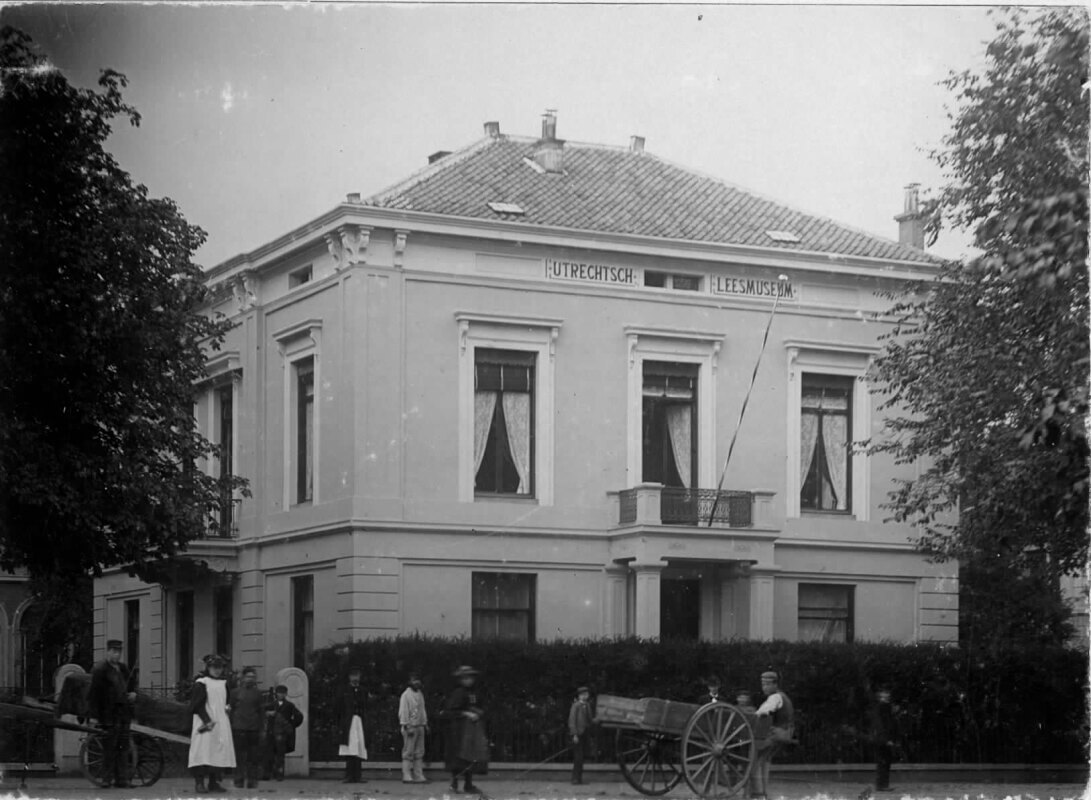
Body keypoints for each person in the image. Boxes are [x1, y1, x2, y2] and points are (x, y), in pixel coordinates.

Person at [87, 639, 136, 788]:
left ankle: (122, 780)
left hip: (124, 714)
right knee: (109, 748)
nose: (117, 654)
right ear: (107, 651)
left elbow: (132, 684)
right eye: (114, 651)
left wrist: (133, 693)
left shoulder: (123, 668)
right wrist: (94, 716)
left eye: (119, 652)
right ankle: (107, 779)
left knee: (123, 747)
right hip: (108, 714)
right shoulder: (100, 670)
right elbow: (93, 694)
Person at [188, 654, 236, 793]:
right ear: (208, 667)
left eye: (219, 667)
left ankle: (214, 782)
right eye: (214, 667)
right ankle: (199, 783)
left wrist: (228, 707)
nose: (217, 670)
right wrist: (207, 721)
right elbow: (196, 706)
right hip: (205, 723)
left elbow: (227, 700)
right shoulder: (202, 683)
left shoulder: (224, 683)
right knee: (203, 751)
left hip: (221, 723)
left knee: (218, 752)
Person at [441, 665, 488, 794]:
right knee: (458, 758)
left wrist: (478, 713)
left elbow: (481, 707)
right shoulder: (458, 693)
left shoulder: (475, 693)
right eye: (465, 678)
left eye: (470, 678)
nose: (468, 680)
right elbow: (450, 711)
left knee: (470, 757)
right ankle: (454, 784)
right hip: (459, 731)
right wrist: (466, 714)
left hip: (472, 730)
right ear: (461, 679)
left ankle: (468, 784)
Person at [750, 670, 794, 800]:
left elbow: (763, 712)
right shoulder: (784, 697)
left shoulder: (775, 697)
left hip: (776, 734)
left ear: (775, 685)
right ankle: (763, 793)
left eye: (767, 684)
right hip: (786, 734)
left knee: (754, 763)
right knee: (765, 761)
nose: (764, 687)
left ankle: (758, 794)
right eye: (763, 684)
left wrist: (754, 715)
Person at [229, 666, 265, 789]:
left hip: (253, 729)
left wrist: (262, 728)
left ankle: (252, 780)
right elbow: (231, 709)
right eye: (248, 676)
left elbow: (261, 711)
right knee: (239, 756)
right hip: (239, 728)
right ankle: (239, 780)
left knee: (253, 756)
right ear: (243, 678)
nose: (251, 679)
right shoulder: (235, 692)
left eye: (253, 677)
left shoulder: (258, 694)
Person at [264, 684, 304, 781]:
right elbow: (262, 713)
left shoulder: (290, 705)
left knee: (280, 754)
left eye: (282, 693)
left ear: (286, 694)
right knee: (270, 753)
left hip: (282, 733)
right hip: (271, 731)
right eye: (279, 693)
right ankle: (268, 773)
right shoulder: (271, 705)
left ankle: (279, 774)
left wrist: (291, 725)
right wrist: (267, 714)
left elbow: (299, 717)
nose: (280, 695)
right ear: (276, 694)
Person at [338, 667, 368, 784]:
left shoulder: (362, 690)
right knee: (350, 748)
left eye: (357, 675)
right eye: (353, 676)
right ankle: (349, 775)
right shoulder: (344, 690)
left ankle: (358, 776)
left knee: (359, 747)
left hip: (359, 721)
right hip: (348, 722)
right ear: (349, 677)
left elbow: (366, 706)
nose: (355, 678)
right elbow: (338, 707)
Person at [399, 672, 429, 784]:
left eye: (418, 680)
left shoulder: (420, 694)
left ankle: (418, 775)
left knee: (419, 751)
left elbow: (422, 710)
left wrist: (425, 723)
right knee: (408, 751)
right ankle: (406, 775)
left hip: (420, 725)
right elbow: (403, 711)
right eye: (414, 680)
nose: (416, 683)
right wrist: (406, 725)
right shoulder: (406, 695)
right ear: (409, 682)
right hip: (410, 726)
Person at [869, 685, 899, 792]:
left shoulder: (886, 707)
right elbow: (880, 725)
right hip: (882, 739)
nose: (887, 695)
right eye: (884, 693)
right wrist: (886, 739)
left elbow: (889, 723)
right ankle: (881, 785)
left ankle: (883, 784)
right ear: (880, 696)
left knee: (886, 762)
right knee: (883, 762)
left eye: (887, 693)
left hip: (885, 738)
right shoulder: (881, 707)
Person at [568, 686, 593, 785]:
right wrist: (574, 734)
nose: (585, 696)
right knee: (578, 757)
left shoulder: (587, 705)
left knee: (582, 757)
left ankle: (579, 778)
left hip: (585, 733)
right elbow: (572, 720)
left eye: (586, 694)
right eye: (583, 694)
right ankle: (575, 779)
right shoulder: (576, 705)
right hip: (578, 734)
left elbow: (590, 719)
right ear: (579, 696)